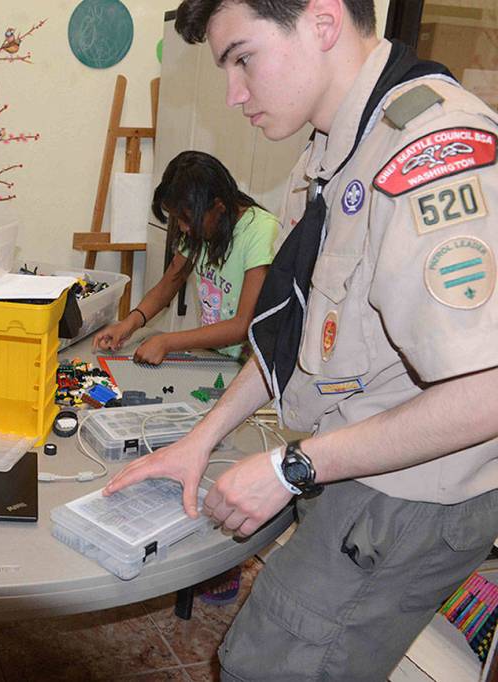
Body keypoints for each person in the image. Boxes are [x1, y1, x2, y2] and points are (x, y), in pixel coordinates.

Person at [104, 0, 498, 679]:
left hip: (411, 492)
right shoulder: (331, 150)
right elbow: (287, 330)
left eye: (243, 59)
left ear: (321, 21)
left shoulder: (434, 151)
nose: (233, 94)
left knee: (263, 663)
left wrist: (292, 468)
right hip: (350, 457)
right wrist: (201, 438)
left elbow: (486, 392)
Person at [92, 150, 278, 365]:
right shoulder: (201, 228)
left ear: (219, 207)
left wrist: (167, 342)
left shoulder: (261, 231)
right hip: (215, 357)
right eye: (177, 218)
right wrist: (129, 323)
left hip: (251, 366)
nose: (182, 227)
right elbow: (168, 284)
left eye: (187, 219)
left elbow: (242, 325)